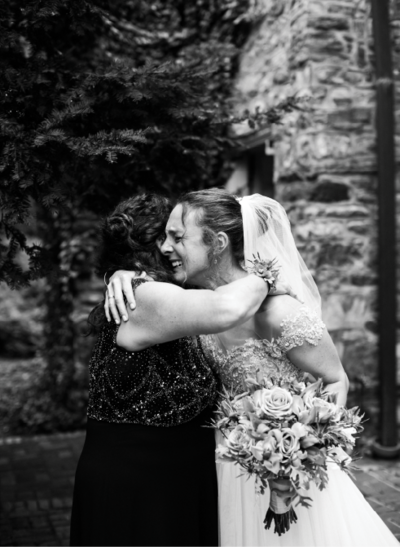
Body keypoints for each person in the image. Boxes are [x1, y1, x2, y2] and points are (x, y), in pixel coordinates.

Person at [107, 188, 399, 547]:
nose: (164, 248)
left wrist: (301, 457)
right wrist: (119, 274)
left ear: (217, 243)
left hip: (286, 472)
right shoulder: (194, 307)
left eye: (177, 237)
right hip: (225, 467)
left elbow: (336, 380)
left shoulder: (280, 313)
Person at [70, 193, 292, 547]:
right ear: (149, 247)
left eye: (180, 236)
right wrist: (266, 275)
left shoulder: (173, 295)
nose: (176, 246)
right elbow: (226, 309)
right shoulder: (141, 297)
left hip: (183, 478)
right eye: (168, 237)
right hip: (137, 484)